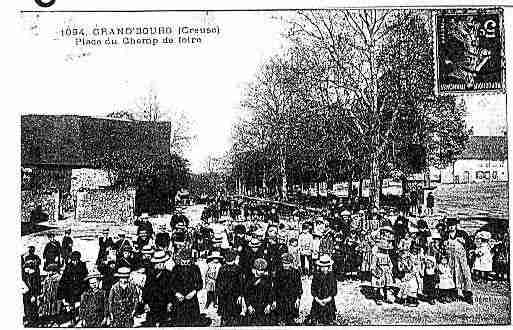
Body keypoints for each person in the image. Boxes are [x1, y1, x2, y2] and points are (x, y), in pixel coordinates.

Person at [169, 249, 204, 326]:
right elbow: (171, 284)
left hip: (191, 299)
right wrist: (176, 293)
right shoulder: (176, 269)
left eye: (187, 261)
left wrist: (194, 292)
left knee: (192, 322)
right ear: (180, 259)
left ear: (190, 260)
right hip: (179, 300)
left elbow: (200, 283)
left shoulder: (195, 268)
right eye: (183, 261)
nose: (185, 263)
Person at [444, 218, 473, 304]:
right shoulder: (446, 235)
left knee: (464, 275)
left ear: (456, 225)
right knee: (451, 275)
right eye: (449, 226)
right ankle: (453, 294)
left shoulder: (462, 233)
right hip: (450, 259)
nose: (451, 227)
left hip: (461, 259)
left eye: (452, 225)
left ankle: (467, 295)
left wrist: (464, 242)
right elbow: (442, 247)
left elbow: (470, 245)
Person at [142, 250, 174, 327]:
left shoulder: (168, 274)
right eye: (159, 263)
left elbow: (171, 290)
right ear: (155, 264)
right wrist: (146, 303)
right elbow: (146, 289)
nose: (161, 264)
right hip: (152, 305)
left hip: (164, 305)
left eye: (163, 262)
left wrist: (170, 302)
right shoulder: (150, 274)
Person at [216, 250, 245, 326]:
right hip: (225, 295)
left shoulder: (225, 268)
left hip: (232, 295)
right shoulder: (236, 268)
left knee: (232, 314)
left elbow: (241, 283)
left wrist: (241, 295)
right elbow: (218, 283)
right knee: (227, 314)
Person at [58, 251, 87, 322]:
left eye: (76, 260)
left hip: (80, 287)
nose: (75, 262)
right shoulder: (68, 266)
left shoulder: (82, 265)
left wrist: (84, 286)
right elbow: (64, 278)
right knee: (71, 304)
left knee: (81, 303)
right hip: (70, 288)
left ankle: (81, 316)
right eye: (73, 260)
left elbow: (85, 276)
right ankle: (72, 318)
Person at [243, 258, 274, 326]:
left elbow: (271, 293)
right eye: (259, 270)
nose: (261, 272)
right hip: (253, 307)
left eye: (262, 270)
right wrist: (248, 306)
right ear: (254, 270)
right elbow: (246, 294)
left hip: (264, 308)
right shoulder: (250, 281)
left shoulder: (267, 280)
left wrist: (269, 305)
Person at [274, 253, 302, 325]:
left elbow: (299, 287)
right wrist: (274, 300)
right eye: (284, 263)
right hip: (281, 297)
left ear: (291, 263)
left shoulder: (296, 273)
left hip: (292, 297)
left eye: (288, 263)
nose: (286, 265)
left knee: (291, 319)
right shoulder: (279, 272)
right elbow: (275, 287)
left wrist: (298, 298)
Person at [309, 255, 337, 325]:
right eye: (322, 267)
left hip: (328, 301)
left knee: (328, 320)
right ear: (319, 267)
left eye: (326, 267)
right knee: (316, 320)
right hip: (318, 300)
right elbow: (313, 289)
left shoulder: (332, 276)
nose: (324, 269)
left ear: (329, 267)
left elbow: (334, 290)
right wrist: (317, 299)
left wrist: (328, 299)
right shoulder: (316, 276)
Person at [370, 234, 394, 305]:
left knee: (386, 285)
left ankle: (386, 297)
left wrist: (390, 268)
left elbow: (390, 263)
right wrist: (375, 270)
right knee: (379, 284)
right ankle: (378, 297)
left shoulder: (387, 255)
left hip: (386, 270)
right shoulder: (376, 255)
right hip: (379, 269)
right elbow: (373, 264)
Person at [22, 260, 41, 326]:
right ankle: (30, 320)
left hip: (32, 295)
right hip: (27, 295)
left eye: (26, 268)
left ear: (30, 268)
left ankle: (33, 321)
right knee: (28, 308)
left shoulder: (34, 276)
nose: (25, 270)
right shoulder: (27, 276)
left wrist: (34, 296)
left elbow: (35, 287)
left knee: (33, 308)